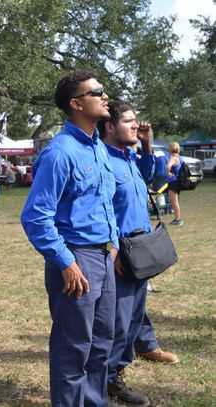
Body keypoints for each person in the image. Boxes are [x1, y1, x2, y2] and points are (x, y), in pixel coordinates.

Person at [20, 70, 119, 406]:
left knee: (102, 341)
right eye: (98, 92)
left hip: (104, 257)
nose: (106, 96)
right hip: (77, 258)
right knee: (73, 345)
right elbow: (35, 217)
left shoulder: (99, 149)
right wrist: (65, 262)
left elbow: (104, 203)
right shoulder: (59, 153)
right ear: (76, 104)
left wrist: (114, 244)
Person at [98, 100, 156, 406]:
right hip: (120, 256)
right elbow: (101, 208)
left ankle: (116, 377)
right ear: (109, 126)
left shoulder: (128, 156)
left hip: (140, 252)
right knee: (115, 324)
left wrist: (146, 148)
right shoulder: (102, 161)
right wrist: (113, 249)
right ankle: (103, 383)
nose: (136, 125)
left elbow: (147, 179)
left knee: (133, 320)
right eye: (129, 121)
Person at [166, 141, 183, 225]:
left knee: (174, 201)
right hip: (177, 181)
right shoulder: (179, 157)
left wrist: (168, 172)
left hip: (173, 181)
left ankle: (178, 219)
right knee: (174, 200)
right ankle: (177, 218)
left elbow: (168, 166)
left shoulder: (173, 158)